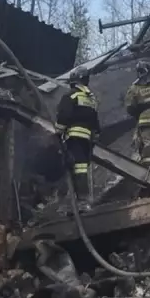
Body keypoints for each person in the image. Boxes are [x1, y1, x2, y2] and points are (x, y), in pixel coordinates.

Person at [55, 67, 100, 206]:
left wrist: (58, 133)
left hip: (73, 136)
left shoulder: (71, 96)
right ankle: (81, 199)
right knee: (81, 167)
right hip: (86, 139)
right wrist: (94, 139)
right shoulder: (91, 99)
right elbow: (96, 123)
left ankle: (77, 200)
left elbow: (63, 116)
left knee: (74, 167)